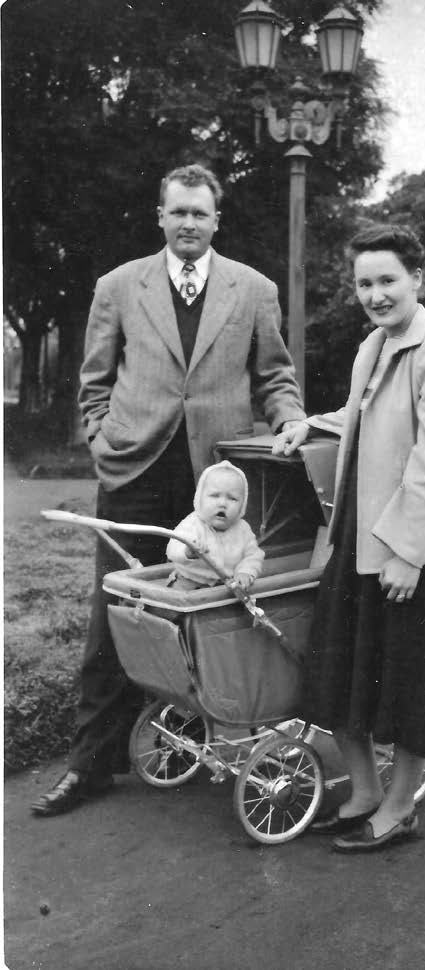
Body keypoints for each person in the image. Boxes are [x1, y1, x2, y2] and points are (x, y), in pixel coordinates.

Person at [32, 163, 305, 817]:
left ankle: (192, 738)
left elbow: (274, 375)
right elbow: (93, 379)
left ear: (217, 220)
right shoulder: (120, 286)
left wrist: (291, 417)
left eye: (199, 213)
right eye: (177, 212)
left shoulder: (253, 289)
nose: (188, 223)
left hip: (215, 480)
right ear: (161, 215)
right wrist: (102, 437)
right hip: (134, 469)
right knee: (117, 613)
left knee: (213, 608)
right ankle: (90, 766)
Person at [272, 223, 425, 853]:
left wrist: (407, 551)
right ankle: (365, 793)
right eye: (364, 283)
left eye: (387, 280)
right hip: (358, 538)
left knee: (410, 684)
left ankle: (399, 810)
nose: (376, 294)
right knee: (342, 673)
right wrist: (306, 423)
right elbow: (364, 414)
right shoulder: (374, 345)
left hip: (406, 550)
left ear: (418, 280)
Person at [165, 460, 264, 591]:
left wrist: (245, 572)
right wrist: (187, 552)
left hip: (226, 586)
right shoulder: (192, 523)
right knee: (174, 605)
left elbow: (253, 555)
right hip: (188, 582)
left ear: (242, 505)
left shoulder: (243, 529)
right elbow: (173, 548)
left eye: (232, 498)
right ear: (200, 498)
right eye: (215, 495)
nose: (223, 503)